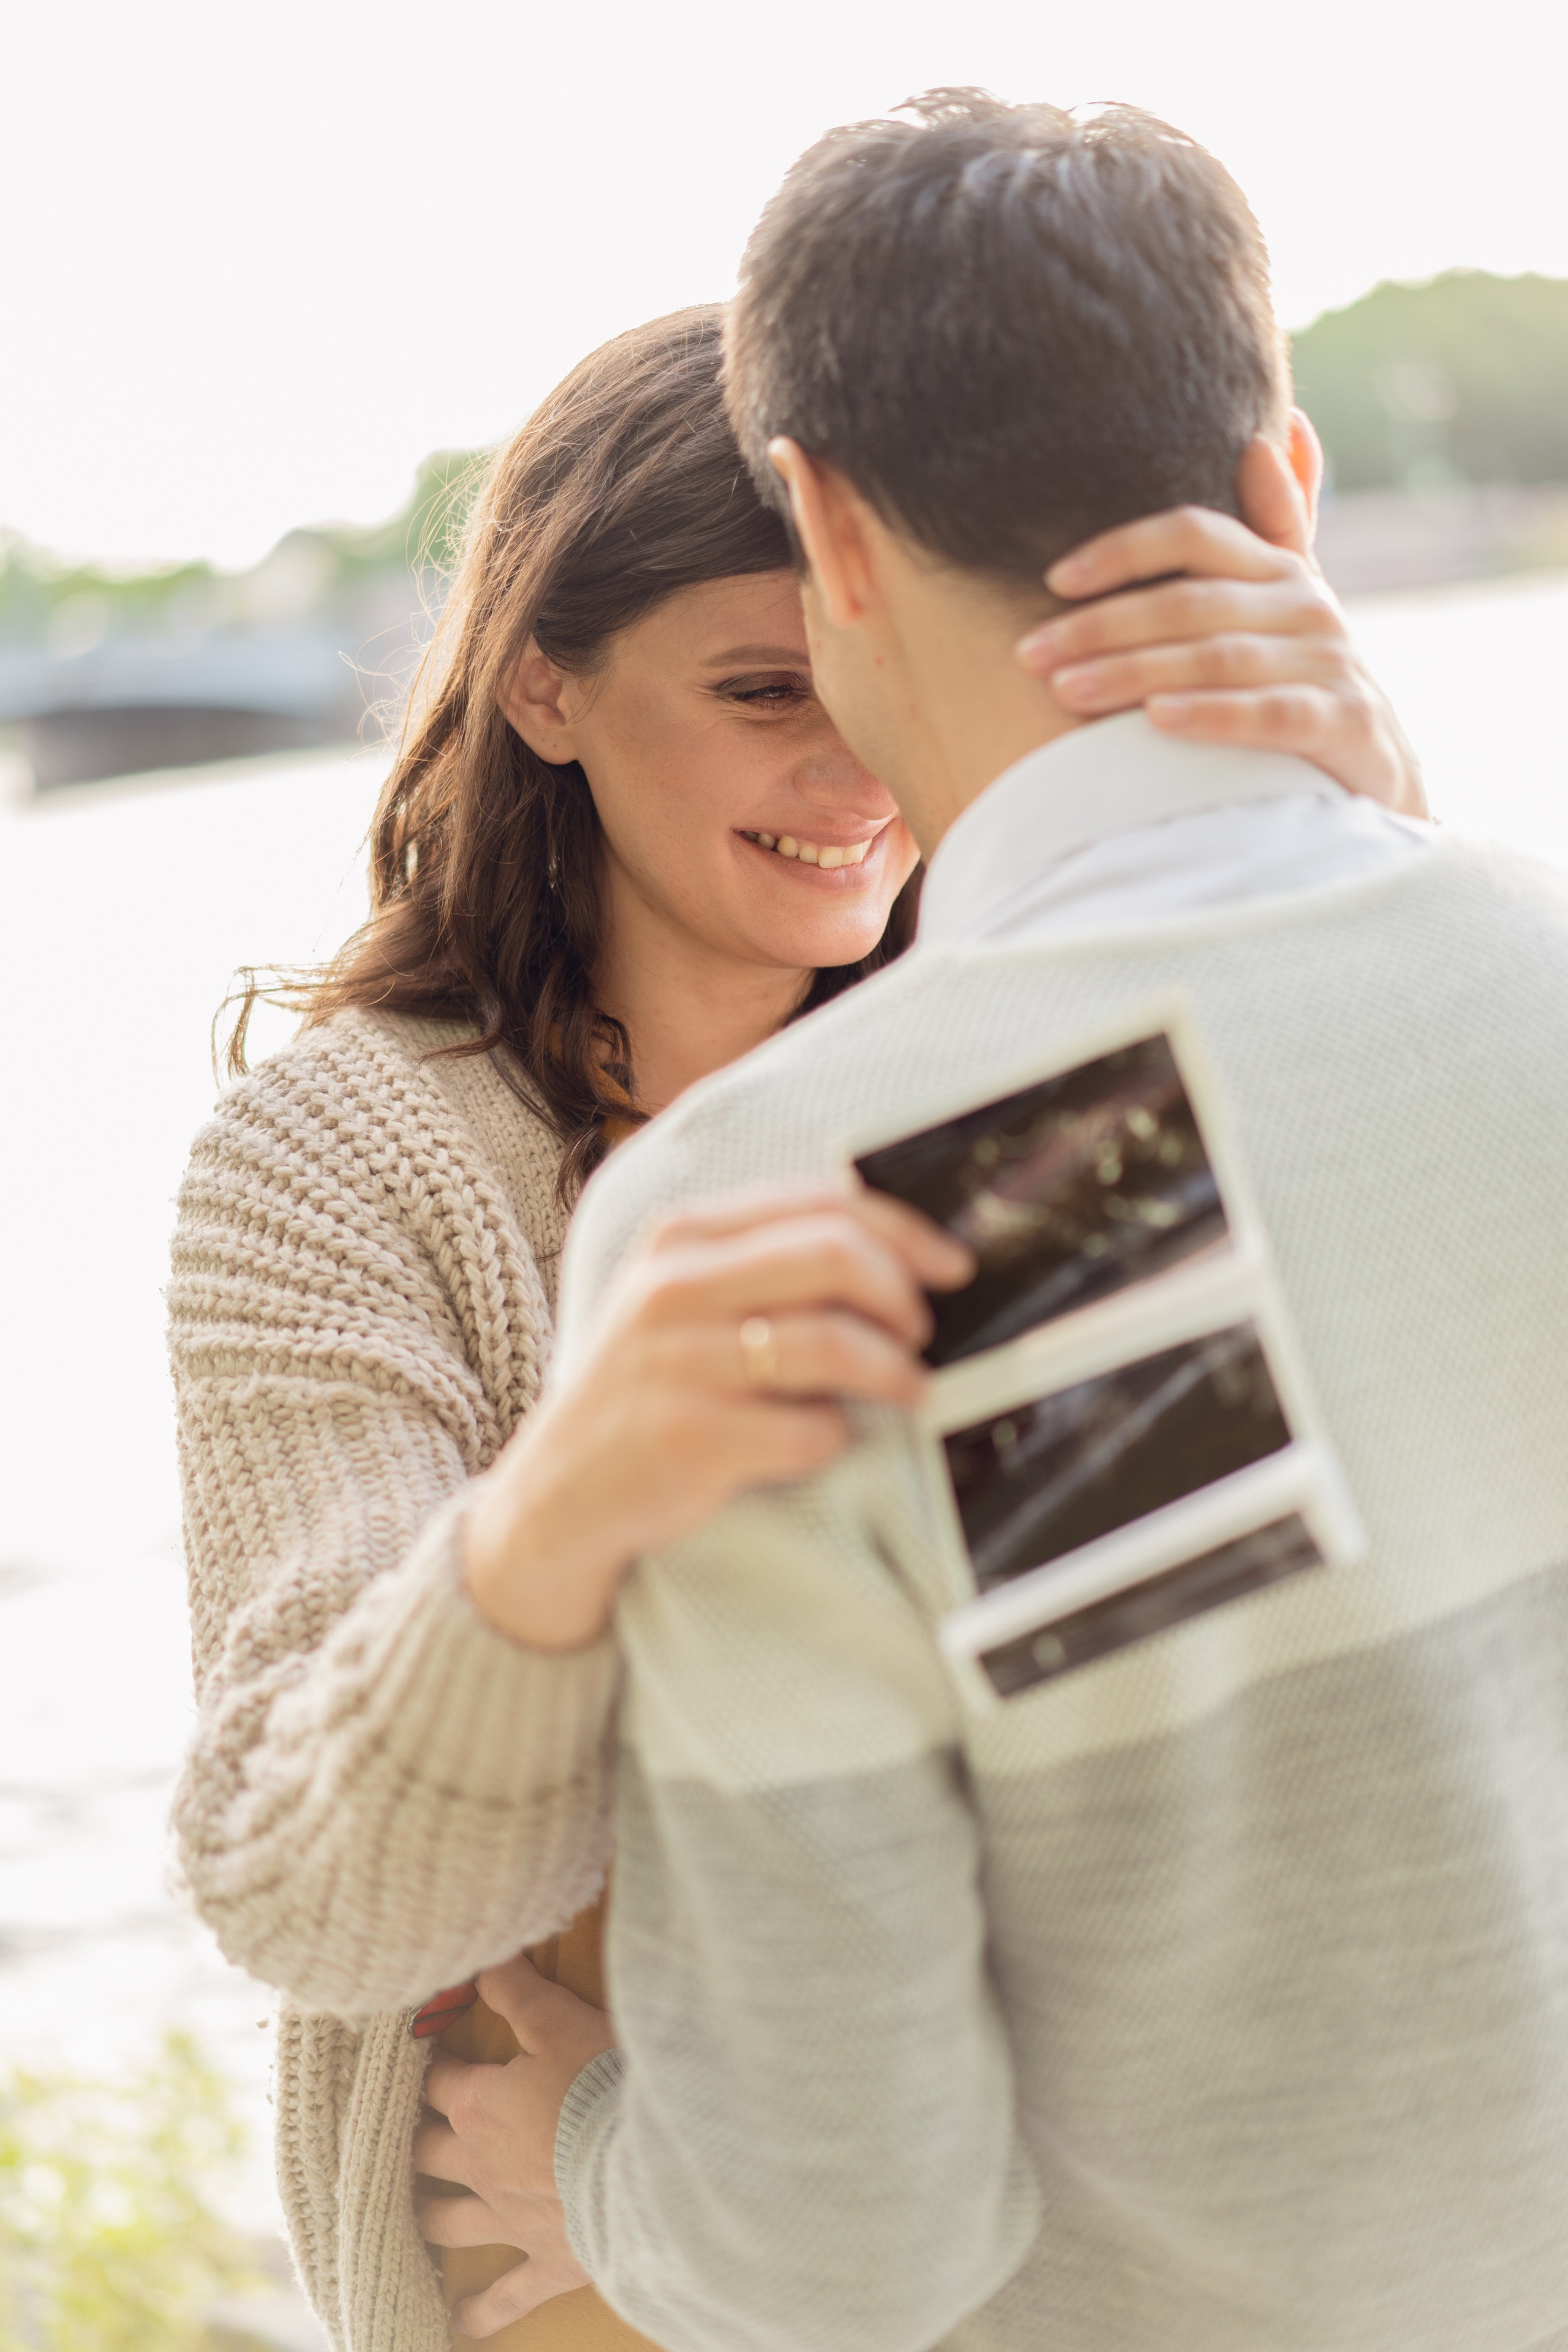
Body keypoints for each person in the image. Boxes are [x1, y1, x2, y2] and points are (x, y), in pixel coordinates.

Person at [168, 303, 1426, 2351]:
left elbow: (1241, 1721)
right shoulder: (343, 1163)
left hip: (970, 2232)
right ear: (542, 685)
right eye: (759, 692)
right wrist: (570, 1510)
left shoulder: (1030, 1091)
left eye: (868, 684)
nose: (850, 777)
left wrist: (1362, 866)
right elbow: (315, 1889)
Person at [508, 96, 1568, 2352]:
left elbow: (844, 2239)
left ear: (825, 530)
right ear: (1292, 484)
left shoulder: (813, 1205)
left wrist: (596, 2161)